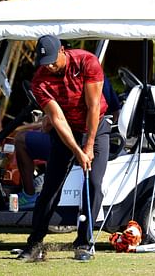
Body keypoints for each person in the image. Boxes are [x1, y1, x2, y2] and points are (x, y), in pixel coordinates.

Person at [17, 35, 110, 262]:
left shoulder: (87, 62)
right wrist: (77, 151)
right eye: (44, 62)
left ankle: (84, 243)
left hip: (96, 127)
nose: (49, 65)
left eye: (52, 60)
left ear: (62, 50)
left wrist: (88, 145)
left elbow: (93, 106)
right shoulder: (40, 80)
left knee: (94, 183)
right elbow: (57, 119)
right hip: (66, 130)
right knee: (51, 187)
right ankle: (35, 245)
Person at [15, 77, 120, 210]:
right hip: (97, 139)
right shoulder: (102, 79)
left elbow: (50, 124)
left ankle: (29, 195)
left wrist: (44, 123)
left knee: (20, 140)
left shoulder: (68, 83)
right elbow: (115, 113)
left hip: (73, 143)